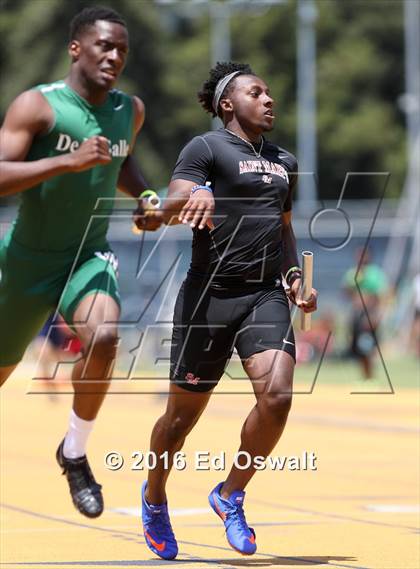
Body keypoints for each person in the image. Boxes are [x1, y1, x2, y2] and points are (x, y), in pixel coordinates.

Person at [140, 62, 318, 559]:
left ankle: (231, 493)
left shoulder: (286, 162)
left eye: (270, 92)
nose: (268, 100)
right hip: (209, 296)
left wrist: (294, 278)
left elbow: (283, 230)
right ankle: (154, 496)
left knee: (278, 397)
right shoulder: (206, 148)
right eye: (255, 92)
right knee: (179, 419)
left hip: (264, 295)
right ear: (227, 104)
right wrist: (195, 191)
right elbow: (175, 195)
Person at [0, 6, 169, 519]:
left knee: (105, 336)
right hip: (26, 263)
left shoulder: (129, 110)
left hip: (87, 257)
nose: (114, 57)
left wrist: (147, 201)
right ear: (77, 48)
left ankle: (74, 453)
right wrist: (65, 161)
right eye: (104, 46)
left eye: (121, 49)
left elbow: (123, 164)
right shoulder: (39, 106)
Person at [342, 247, 388, 379]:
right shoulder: (353, 273)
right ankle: (365, 376)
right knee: (358, 348)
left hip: (370, 314)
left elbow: (381, 296)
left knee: (366, 346)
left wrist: (377, 316)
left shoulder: (375, 273)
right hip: (357, 315)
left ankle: (370, 376)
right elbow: (347, 292)